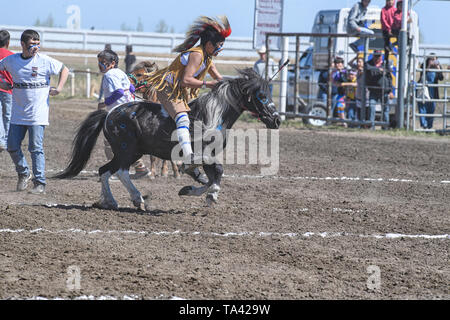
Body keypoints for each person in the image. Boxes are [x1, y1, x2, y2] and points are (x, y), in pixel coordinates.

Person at [145, 15, 231, 174]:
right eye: (219, 45)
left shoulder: (207, 57)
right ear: (209, 44)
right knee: (183, 118)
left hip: (179, 90)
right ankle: (189, 157)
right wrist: (207, 84)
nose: (221, 48)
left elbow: (219, 78)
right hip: (168, 88)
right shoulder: (197, 54)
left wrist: (239, 84)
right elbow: (186, 80)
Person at [0, 29, 69, 194]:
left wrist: (59, 88)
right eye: (32, 45)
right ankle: (24, 173)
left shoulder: (45, 61)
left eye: (38, 44)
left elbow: (64, 69)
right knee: (11, 146)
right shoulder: (11, 60)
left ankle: (40, 183)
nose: (35, 48)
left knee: (35, 147)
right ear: (22, 44)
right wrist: (2, 84)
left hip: (38, 114)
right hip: (18, 113)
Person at [97, 49, 151, 179]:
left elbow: (119, 92)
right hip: (131, 109)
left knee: (109, 143)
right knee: (127, 142)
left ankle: (115, 170)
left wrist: (105, 103)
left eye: (103, 62)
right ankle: (140, 168)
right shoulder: (121, 72)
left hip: (119, 113)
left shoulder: (109, 75)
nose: (100, 65)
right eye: (99, 62)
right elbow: (131, 88)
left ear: (112, 63)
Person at [365, 50, 393, 128]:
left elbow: (390, 78)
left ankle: (385, 127)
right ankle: (371, 126)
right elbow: (367, 68)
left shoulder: (385, 64)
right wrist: (379, 70)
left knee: (385, 110)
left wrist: (391, 91)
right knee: (371, 107)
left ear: (381, 56)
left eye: (379, 56)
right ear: (373, 56)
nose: (377, 58)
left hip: (384, 90)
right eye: (376, 56)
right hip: (373, 90)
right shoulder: (369, 63)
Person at [417, 53, 444, 129]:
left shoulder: (438, 67)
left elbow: (441, 78)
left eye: (435, 59)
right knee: (422, 106)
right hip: (424, 89)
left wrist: (438, 69)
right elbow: (422, 75)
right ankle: (424, 125)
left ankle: (429, 125)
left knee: (431, 107)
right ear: (428, 60)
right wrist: (428, 67)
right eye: (431, 59)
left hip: (433, 89)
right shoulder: (423, 65)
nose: (433, 61)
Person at [0, 30, 14, 152]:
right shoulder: (11, 56)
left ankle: (1, 140)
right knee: (7, 115)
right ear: (8, 42)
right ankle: (8, 140)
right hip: (8, 90)